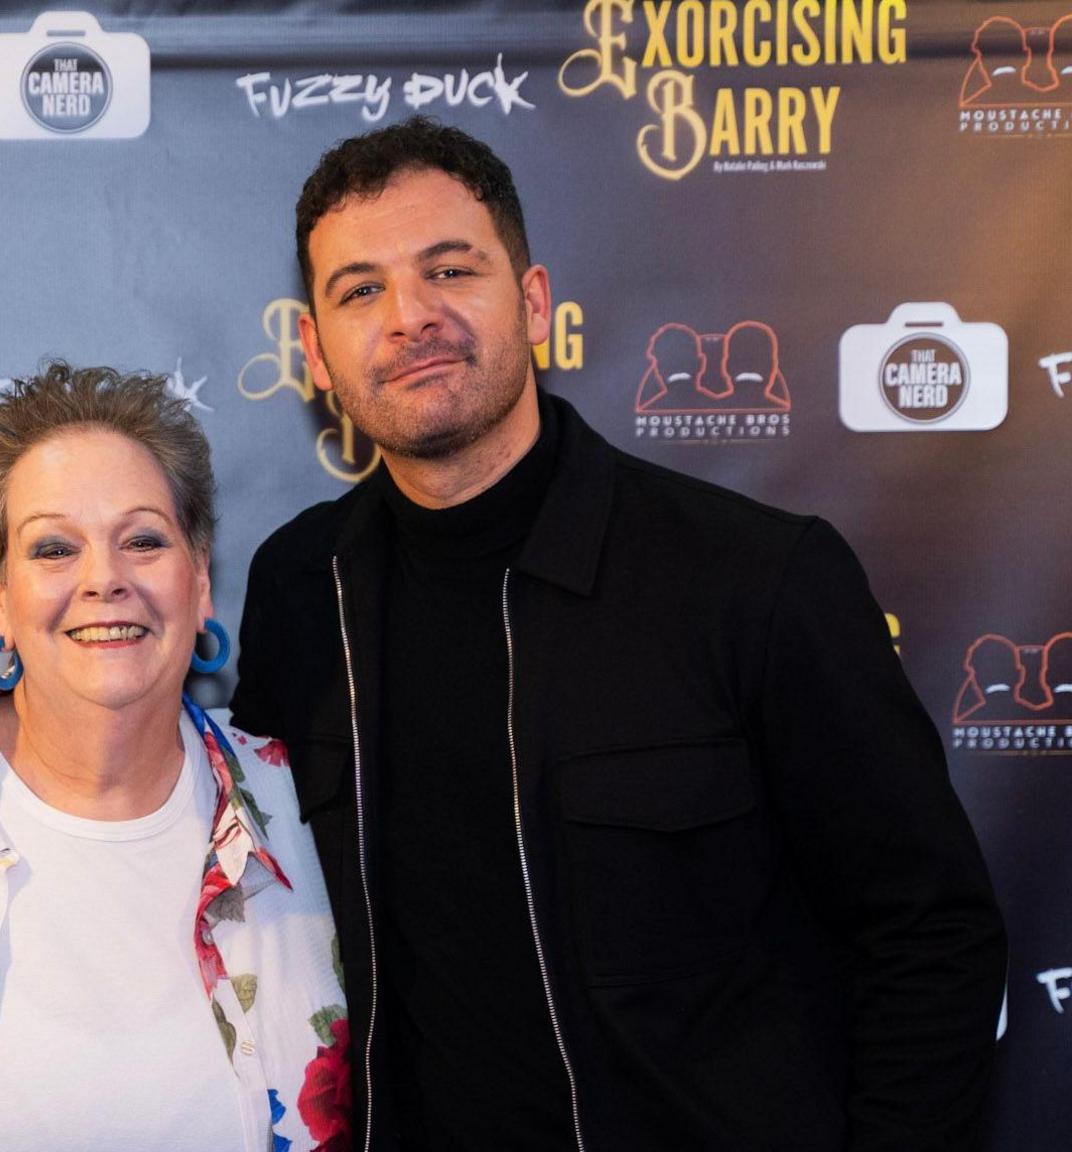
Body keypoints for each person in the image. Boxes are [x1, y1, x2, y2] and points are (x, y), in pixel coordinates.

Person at [231, 117, 1005, 1151]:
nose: (408, 316)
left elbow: (927, 936)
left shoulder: (753, 577)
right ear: (313, 354)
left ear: (535, 303)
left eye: (449, 270)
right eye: (359, 289)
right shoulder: (295, 587)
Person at [0, 364, 351, 1152]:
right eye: (53, 548)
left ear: (201, 578)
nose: (105, 579)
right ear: (0, 595)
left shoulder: (307, 805)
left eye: (143, 539)